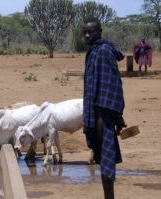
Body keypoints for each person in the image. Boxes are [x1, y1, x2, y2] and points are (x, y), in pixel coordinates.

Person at [82, 17, 127, 199]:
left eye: (91, 32)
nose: (87, 35)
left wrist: (114, 115)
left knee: (106, 159)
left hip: (104, 115)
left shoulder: (103, 52)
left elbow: (112, 85)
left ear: (99, 32)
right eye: (84, 32)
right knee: (102, 158)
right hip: (97, 113)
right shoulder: (94, 52)